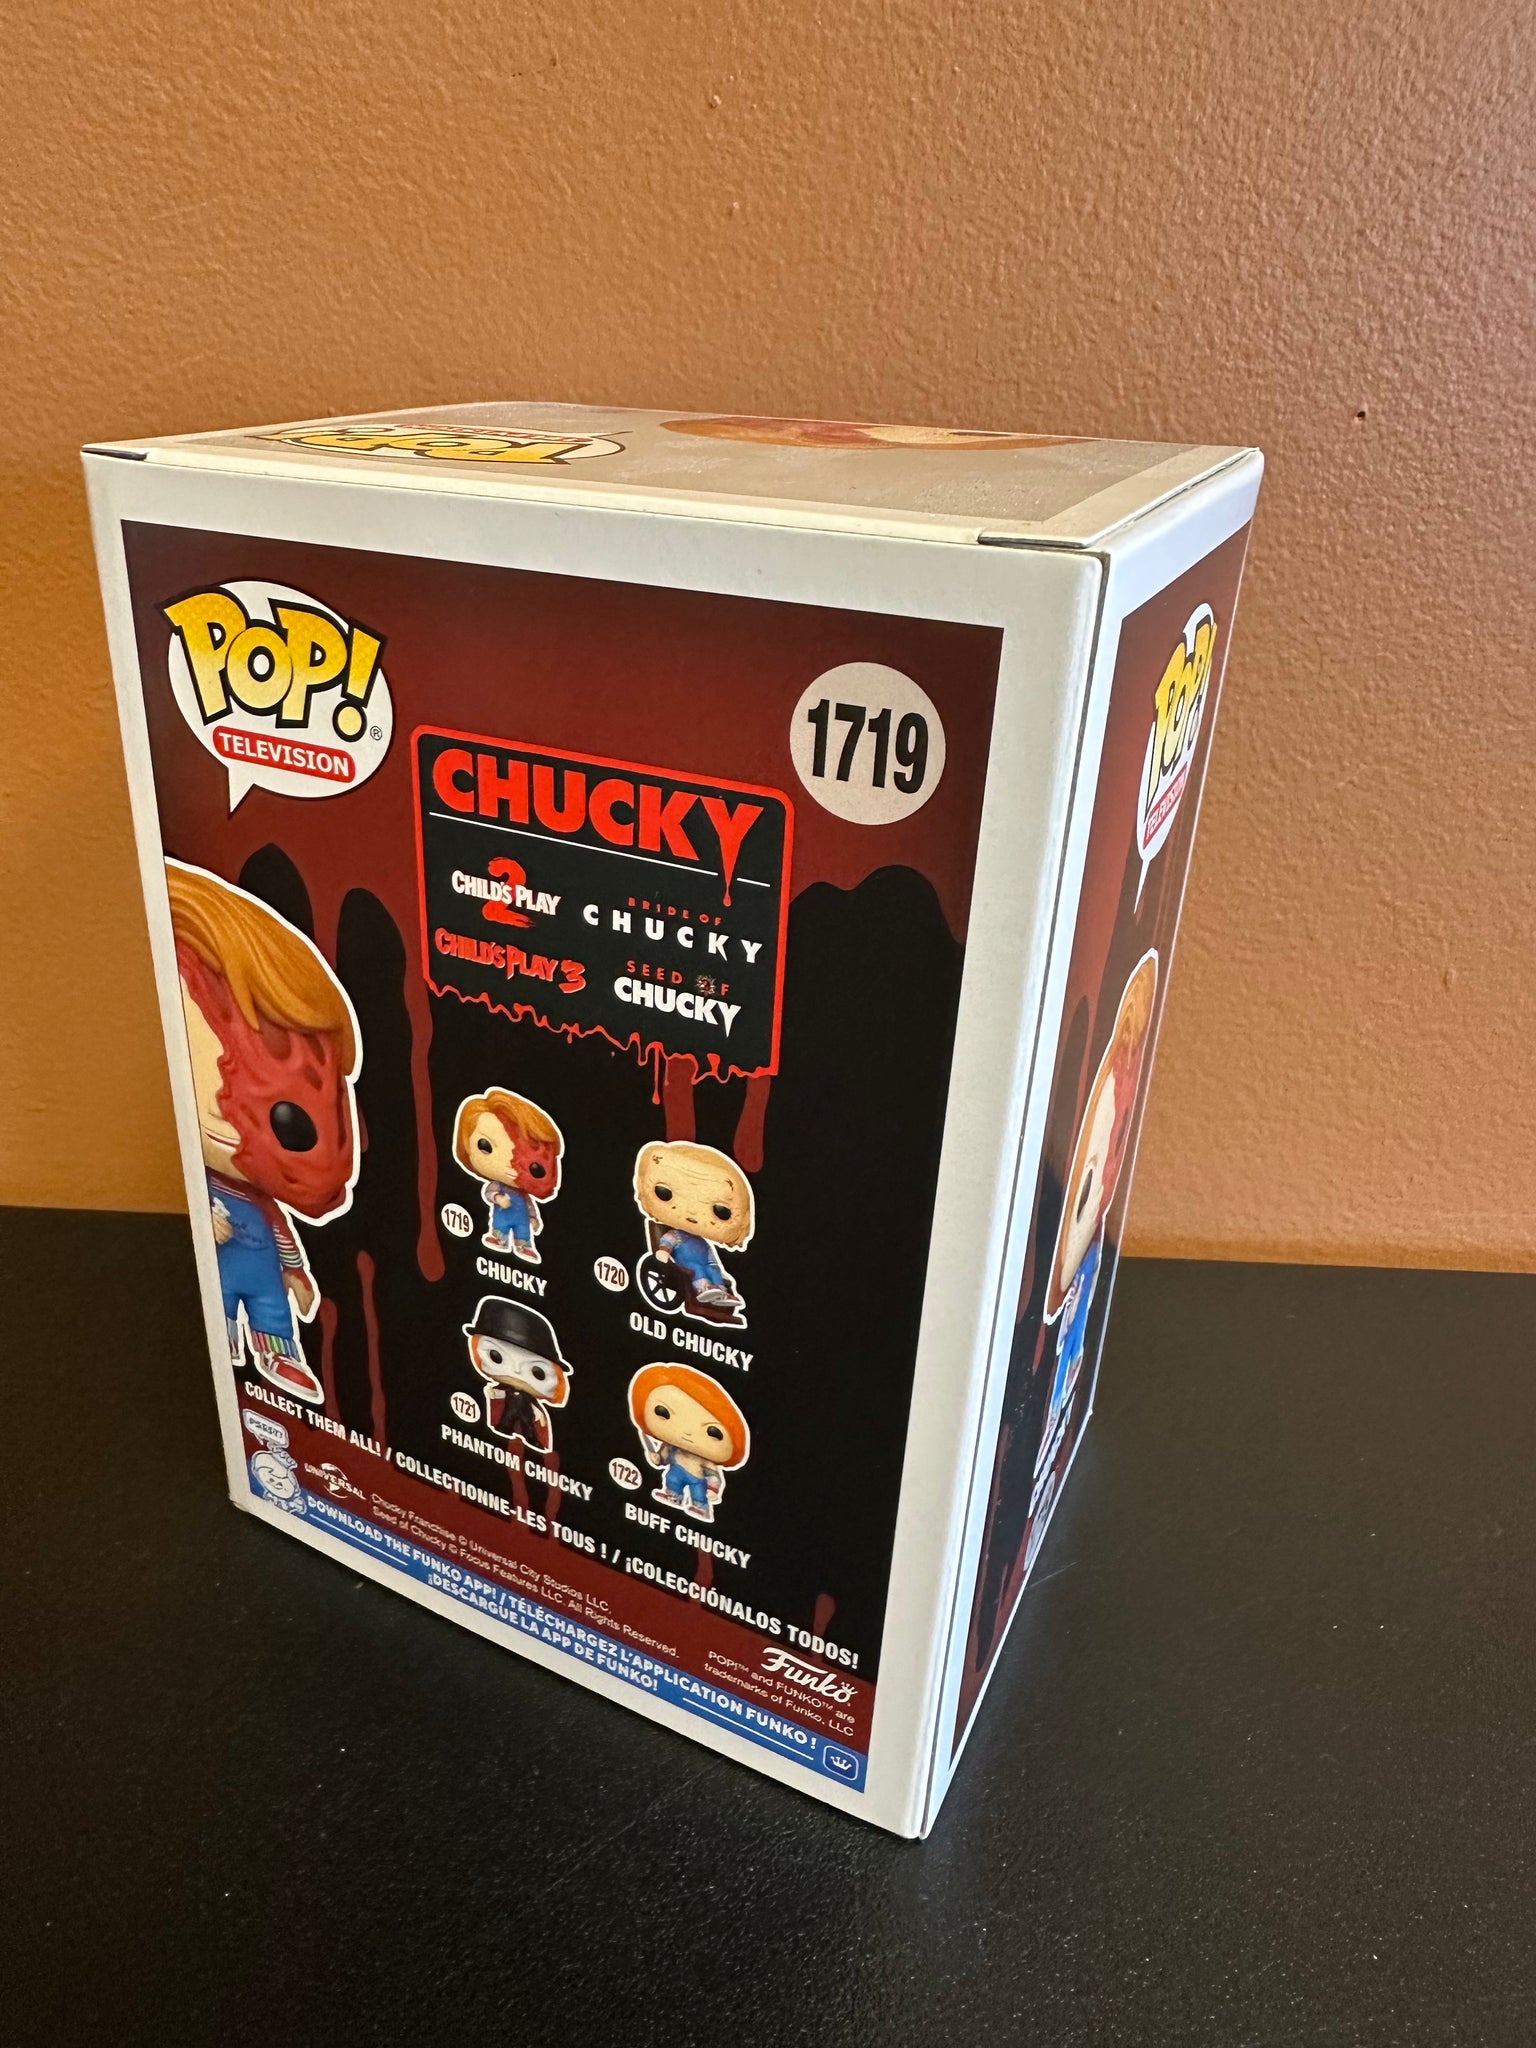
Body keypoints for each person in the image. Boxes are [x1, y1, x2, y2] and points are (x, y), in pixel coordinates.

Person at [166, 861, 360, 1407]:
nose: (216, 1102)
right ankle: (224, 1349)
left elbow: (281, 1231)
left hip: (263, 1271)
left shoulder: (257, 1194)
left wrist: (297, 1273)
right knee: (220, 1308)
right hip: (215, 1276)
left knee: (272, 1311)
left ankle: (278, 1356)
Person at [633, 1140, 753, 1321]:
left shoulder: (701, 1241)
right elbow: (667, 1242)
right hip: (686, 1265)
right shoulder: (675, 1235)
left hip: (705, 1263)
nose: (692, 1214)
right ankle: (703, 1290)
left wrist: (714, 1265)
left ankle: (721, 1293)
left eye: (721, 1211)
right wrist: (663, 1252)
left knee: (713, 1271)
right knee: (697, 1269)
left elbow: (709, 1256)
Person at [628, 1363, 750, 1525]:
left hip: (696, 1478)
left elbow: (713, 1475)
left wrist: (713, 1489)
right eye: (663, 1412)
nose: (687, 1433)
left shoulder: (705, 1460)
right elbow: (663, 1457)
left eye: (713, 1432)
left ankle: (700, 1507)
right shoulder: (670, 1447)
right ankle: (673, 1496)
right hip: (676, 1471)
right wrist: (657, 1458)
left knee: (698, 1492)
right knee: (672, 1481)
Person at [454, 1089, 563, 1263]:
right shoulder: (499, 1186)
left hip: (522, 1220)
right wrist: (497, 1197)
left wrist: (533, 1218)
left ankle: (524, 1246)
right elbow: (489, 1193)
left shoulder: (524, 1194)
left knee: (523, 1232)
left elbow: (530, 1206)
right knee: (500, 1227)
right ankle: (499, 1239)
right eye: (485, 1145)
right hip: (502, 1216)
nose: (509, 1165)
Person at [463, 1298, 571, 1456]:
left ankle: (532, 1441)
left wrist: (540, 1416)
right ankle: (506, 1430)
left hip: (526, 1419)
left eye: (538, 1373)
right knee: (506, 1422)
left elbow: (535, 1410)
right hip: (503, 1422)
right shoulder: (498, 1396)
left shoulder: (533, 1402)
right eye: (496, 1356)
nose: (517, 1373)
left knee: (528, 1427)